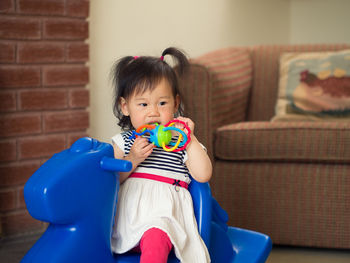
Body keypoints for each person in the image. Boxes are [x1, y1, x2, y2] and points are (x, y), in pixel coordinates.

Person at [110, 47, 212, 263]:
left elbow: (203, 175)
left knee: (156, 234)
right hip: (129, 216)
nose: (153, 111)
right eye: (143, 104)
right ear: (125, 106)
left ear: (176, 104)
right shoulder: (125, 142)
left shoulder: (180, 142)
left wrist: (190, 139)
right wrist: (133, 159)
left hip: (166, 215)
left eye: (162, 103)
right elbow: (110, 181)